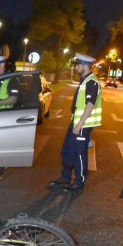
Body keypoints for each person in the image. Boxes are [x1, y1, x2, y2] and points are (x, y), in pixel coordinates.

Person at [48, 53, 102, 192]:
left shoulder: (91, 82)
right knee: (67, 150)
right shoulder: (84, 80)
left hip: (82, 125)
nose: (76, 68)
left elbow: (90, 105)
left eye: (78, 65)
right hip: (76, 123)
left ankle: (79, 182)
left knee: (79, 153)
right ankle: (65, 178)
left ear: (85, 65)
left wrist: (79, 125)